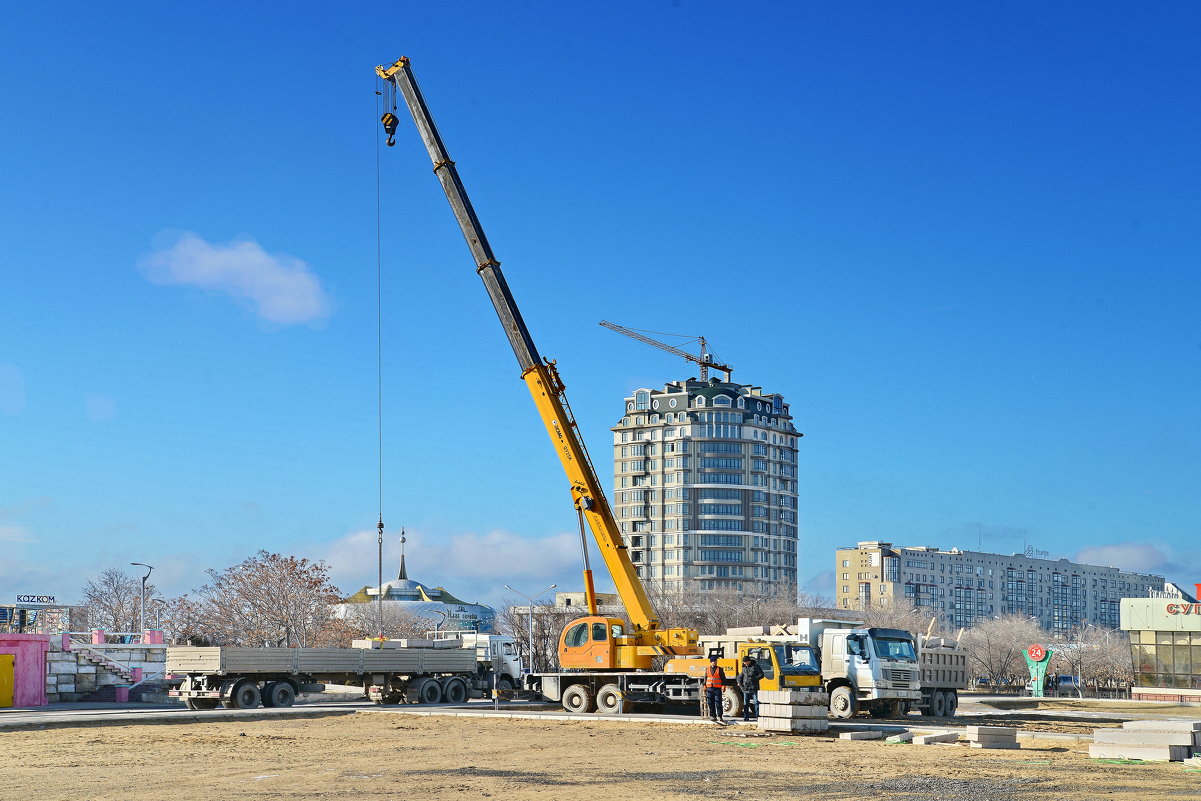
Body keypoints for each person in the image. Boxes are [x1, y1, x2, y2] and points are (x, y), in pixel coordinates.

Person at [738, 654, 765, 721]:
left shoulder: (755, 666)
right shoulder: (744, 667)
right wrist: (739, 681)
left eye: (746, 662)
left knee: (756, 703)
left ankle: (758, 717)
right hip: (746, 688)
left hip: (754, 688)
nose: (745, 663)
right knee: (745, 704)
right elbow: (741, 676)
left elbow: (762, 675)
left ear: (749, 661)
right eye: (744, 662)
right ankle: (746, 717)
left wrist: (754, 678)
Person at [704, 654, 727, 723]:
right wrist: (704, 685)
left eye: (715, 661)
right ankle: (712, 716)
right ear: (710, 662)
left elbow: (723, 678)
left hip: (717, 688)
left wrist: (724, 685)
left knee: (718, 703)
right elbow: (705, 678)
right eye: (713, 661)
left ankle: (720, 716)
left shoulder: (719, 669)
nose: (714, 662)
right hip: (709, 688)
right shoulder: (707, 669)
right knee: (710, 702)